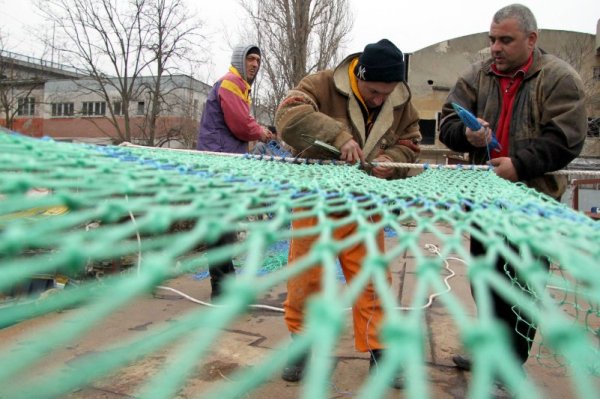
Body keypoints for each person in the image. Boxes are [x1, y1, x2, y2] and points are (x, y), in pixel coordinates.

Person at [439, 3, 587, 379]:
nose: (496, 48)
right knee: (485, 280)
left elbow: (566, 140)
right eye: (492, 39)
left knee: (520, 287)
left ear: (531, 39)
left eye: (506, 40)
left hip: (532, 204)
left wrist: (519, 165)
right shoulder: (477, 75)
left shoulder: (559, 78)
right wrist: (466, 133)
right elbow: (447, 122)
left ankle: (509, 367)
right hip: (485, 200)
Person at [274, 38, 422, 389]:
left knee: (373, 282)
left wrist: (394, 162)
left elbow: (411, 142)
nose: (379, 99)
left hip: (365, 204)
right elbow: (288, 117)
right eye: (374, 91)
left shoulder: (400, 100)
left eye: (387, 93)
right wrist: (338, 137)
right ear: (360, 75)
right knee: (305, 279)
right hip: (316, 200)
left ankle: (381, 354)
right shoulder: (322, 84)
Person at [196, 43, 274, 299]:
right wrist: (261, 132)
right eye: (251, 59)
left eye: (258, 61)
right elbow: (241, 125)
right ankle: (221, 290)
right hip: (219, 166)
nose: (255, 64)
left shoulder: (240, 87)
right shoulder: (231, 83)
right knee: (220, 228)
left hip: (225, 164)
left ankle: (226, 285)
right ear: (240, 60)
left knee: (224, 227)